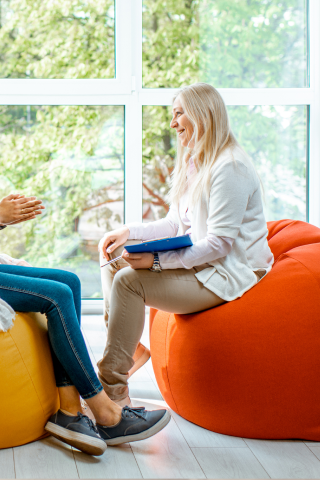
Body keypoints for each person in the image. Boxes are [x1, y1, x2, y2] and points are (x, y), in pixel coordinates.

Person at [0, 76, 170, 456]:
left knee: (69, 281)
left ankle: (70, 411)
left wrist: (3, 218)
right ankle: (104, 410)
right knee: (54, 297)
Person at [97, 83, 274, 407]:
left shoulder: (229, 167)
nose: (173, 123)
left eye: (179, 113)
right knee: (113, 258)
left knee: (128, 282)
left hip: (228, 273)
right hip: (206, 264)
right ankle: (129, 348)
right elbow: (176, 225)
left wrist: (156, 262)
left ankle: (112, 393)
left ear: (202, 115)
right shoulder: (196, 163)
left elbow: (219, 244)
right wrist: (128, 232)